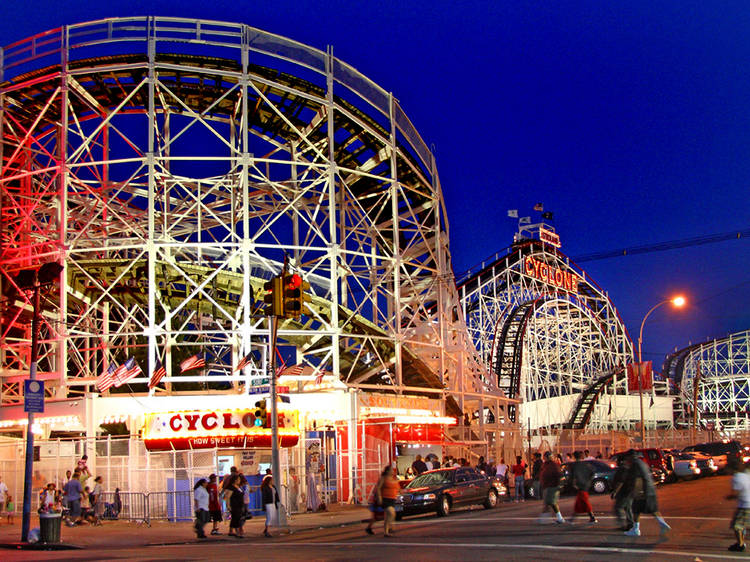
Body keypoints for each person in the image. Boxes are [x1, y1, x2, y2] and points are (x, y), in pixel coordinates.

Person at [622, 449, 670, 536]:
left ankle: (636, 530)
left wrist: (634, 492)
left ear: (630, 457)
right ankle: (663, 524)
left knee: (636, 509)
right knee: (652, 509)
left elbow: (636, 479)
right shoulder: (642, 462)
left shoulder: (634, 465)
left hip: (642, 490)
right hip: (650, 488)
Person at [368, 465, 399, 537]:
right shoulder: (383, 478)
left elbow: (397, 488)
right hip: (385, 499)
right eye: (391, 470)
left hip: (392, 499)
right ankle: (388, 529)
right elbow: (378, 488)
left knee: (390, 515)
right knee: (391, 513)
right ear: (387, 471)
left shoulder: (394, 479)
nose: (393, 471)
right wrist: (379, 497)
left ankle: (387, 531)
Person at [567, 451, 597, 523]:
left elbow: (573, 475)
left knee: (584, 501)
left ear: (574, 456)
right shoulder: (586, 464)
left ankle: (592, 517)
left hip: (580, 485)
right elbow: (593, 472)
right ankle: (573, 518)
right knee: (580, 501)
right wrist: (589, 480)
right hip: (586, 484)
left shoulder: (574, 465)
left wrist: (574, 483)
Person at [727, 460, 750, 551]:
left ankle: (740, 545)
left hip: (745, 505)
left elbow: (736, 492)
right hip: (746, 503)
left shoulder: (736, 478)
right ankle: (740, 542)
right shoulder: (746, 474)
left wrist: (730, 497)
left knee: (737, 526)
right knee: (741, 525)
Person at [538, 451, 565, 524]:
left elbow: (560, 475)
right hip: (546, 486)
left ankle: (544, 518)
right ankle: (558, 518)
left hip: (553, 486)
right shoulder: (545, 465)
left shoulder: (554, 465)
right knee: (551, 502)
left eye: (545, 457)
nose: (544, 458)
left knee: (550, 502)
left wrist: (560, 485)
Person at [611, 457, 634, 531]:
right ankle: (630, 524)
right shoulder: (627, 468)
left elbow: (621, 481)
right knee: (627, 508)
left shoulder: (622, 469)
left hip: (624, 492)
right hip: (629, 491)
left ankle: (623, 525)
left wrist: (615, 492)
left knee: (618, 508)